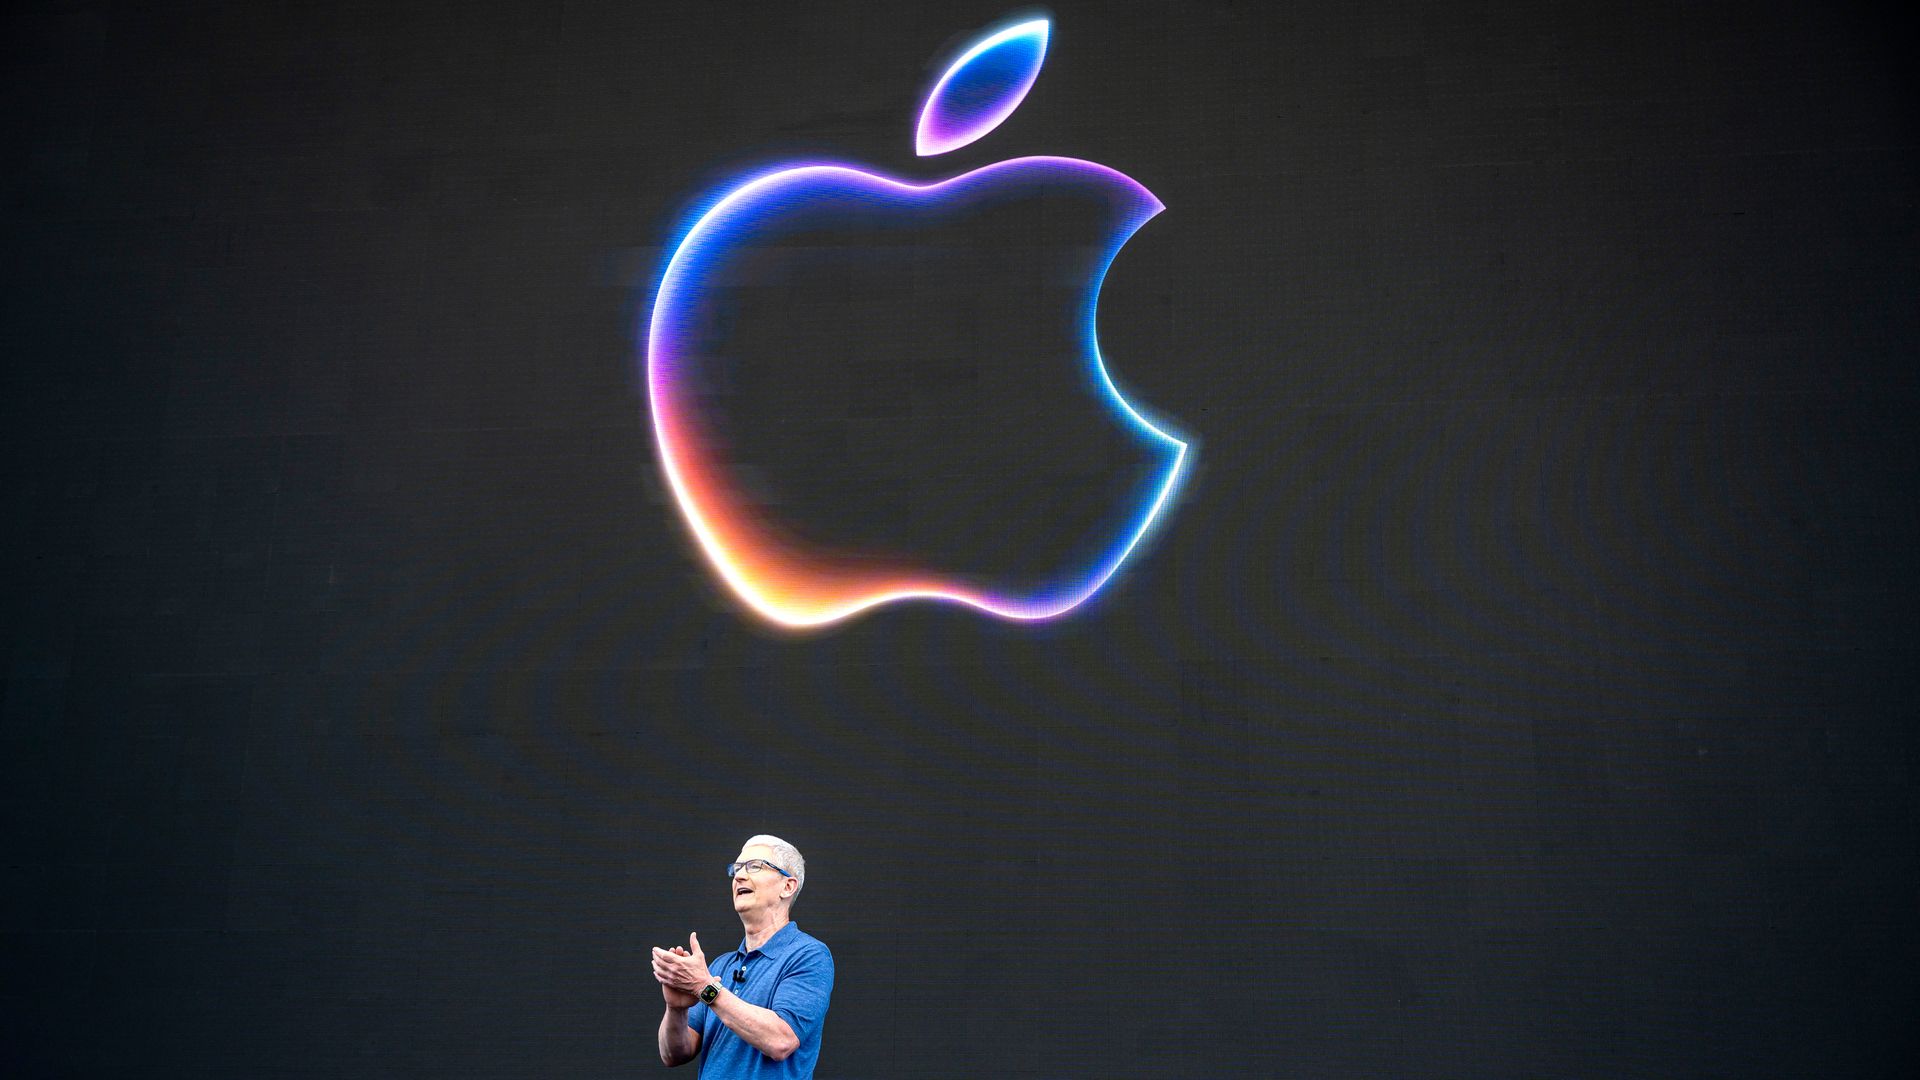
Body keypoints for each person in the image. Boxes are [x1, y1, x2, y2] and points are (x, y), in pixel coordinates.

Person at [654, 835, 834, 1077]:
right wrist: (676, 1009)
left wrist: (704, 987)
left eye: (754, 866)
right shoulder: (720, 966)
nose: (739, 876)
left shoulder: (808, 955)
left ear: (787, 886)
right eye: (737, 868)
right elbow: (673, 1055)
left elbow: (781, 1040)